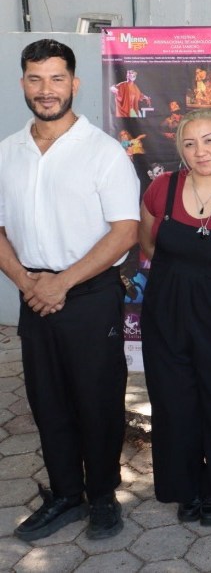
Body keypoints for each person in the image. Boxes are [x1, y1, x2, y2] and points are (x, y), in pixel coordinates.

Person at [0, 39, 139, 541]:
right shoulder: (7, 152)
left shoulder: (103, 152)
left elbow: (126, 232)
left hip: (89, 294)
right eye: (36, 79)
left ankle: (101, 496)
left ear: (74, 84)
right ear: (23, 83)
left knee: (97, 400)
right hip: (32, 292)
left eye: (57, 78)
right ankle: (65, 495)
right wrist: (27, 282)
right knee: (47, 399)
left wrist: (62, 282)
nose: (46, 89)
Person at [139, 109, 211, 526]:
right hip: (166, 307)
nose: (200, 151)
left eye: (209, 140)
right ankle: (183, 486)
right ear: (180, 150)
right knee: (173, 400)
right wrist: (183, 275)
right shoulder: (162, 188)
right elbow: (147, 242)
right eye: (189, 143)